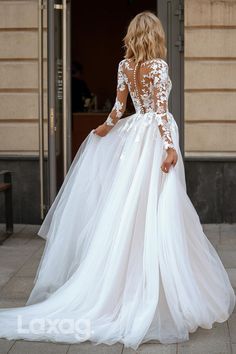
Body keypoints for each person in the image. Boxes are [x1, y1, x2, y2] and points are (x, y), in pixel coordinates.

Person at [0, 11, 235, 351]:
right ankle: (153, 285)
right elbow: (160, 111)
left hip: (132, 139)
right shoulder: (158, 66)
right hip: (153, 139)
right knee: (157, 209)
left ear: (132, 35)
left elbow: (118, 109)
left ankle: (126, 278)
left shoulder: (124, 66)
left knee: (128, 207)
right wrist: (170, 149)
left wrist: (105, 129)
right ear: (155, 35)